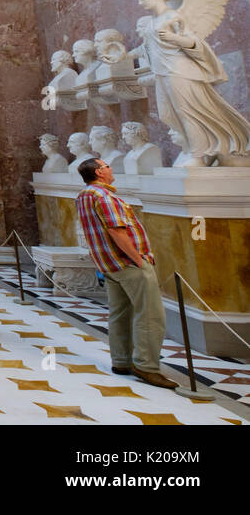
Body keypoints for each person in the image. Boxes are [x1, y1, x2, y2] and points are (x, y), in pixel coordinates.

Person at [75, 158, 178, 388]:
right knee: (150, 315)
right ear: (100, 172)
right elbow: (116, 230)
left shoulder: (84, 195)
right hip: (126, 264)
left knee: (120, 313)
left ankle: (121, 360)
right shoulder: (102, 196)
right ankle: (147, 365)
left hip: (108, 264)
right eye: (107, 166)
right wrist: (138, 260)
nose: (111, 169)